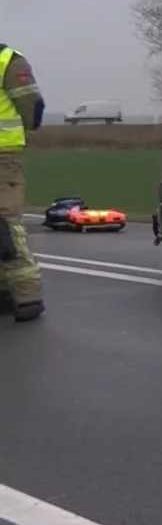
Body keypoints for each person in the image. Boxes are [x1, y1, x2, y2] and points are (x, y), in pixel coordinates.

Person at [0, 43, 46, 322]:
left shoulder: (7, 61)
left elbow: (32, 105)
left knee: (4, 224)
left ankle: (28, 294)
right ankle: (5, 291)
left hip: (2, 156)